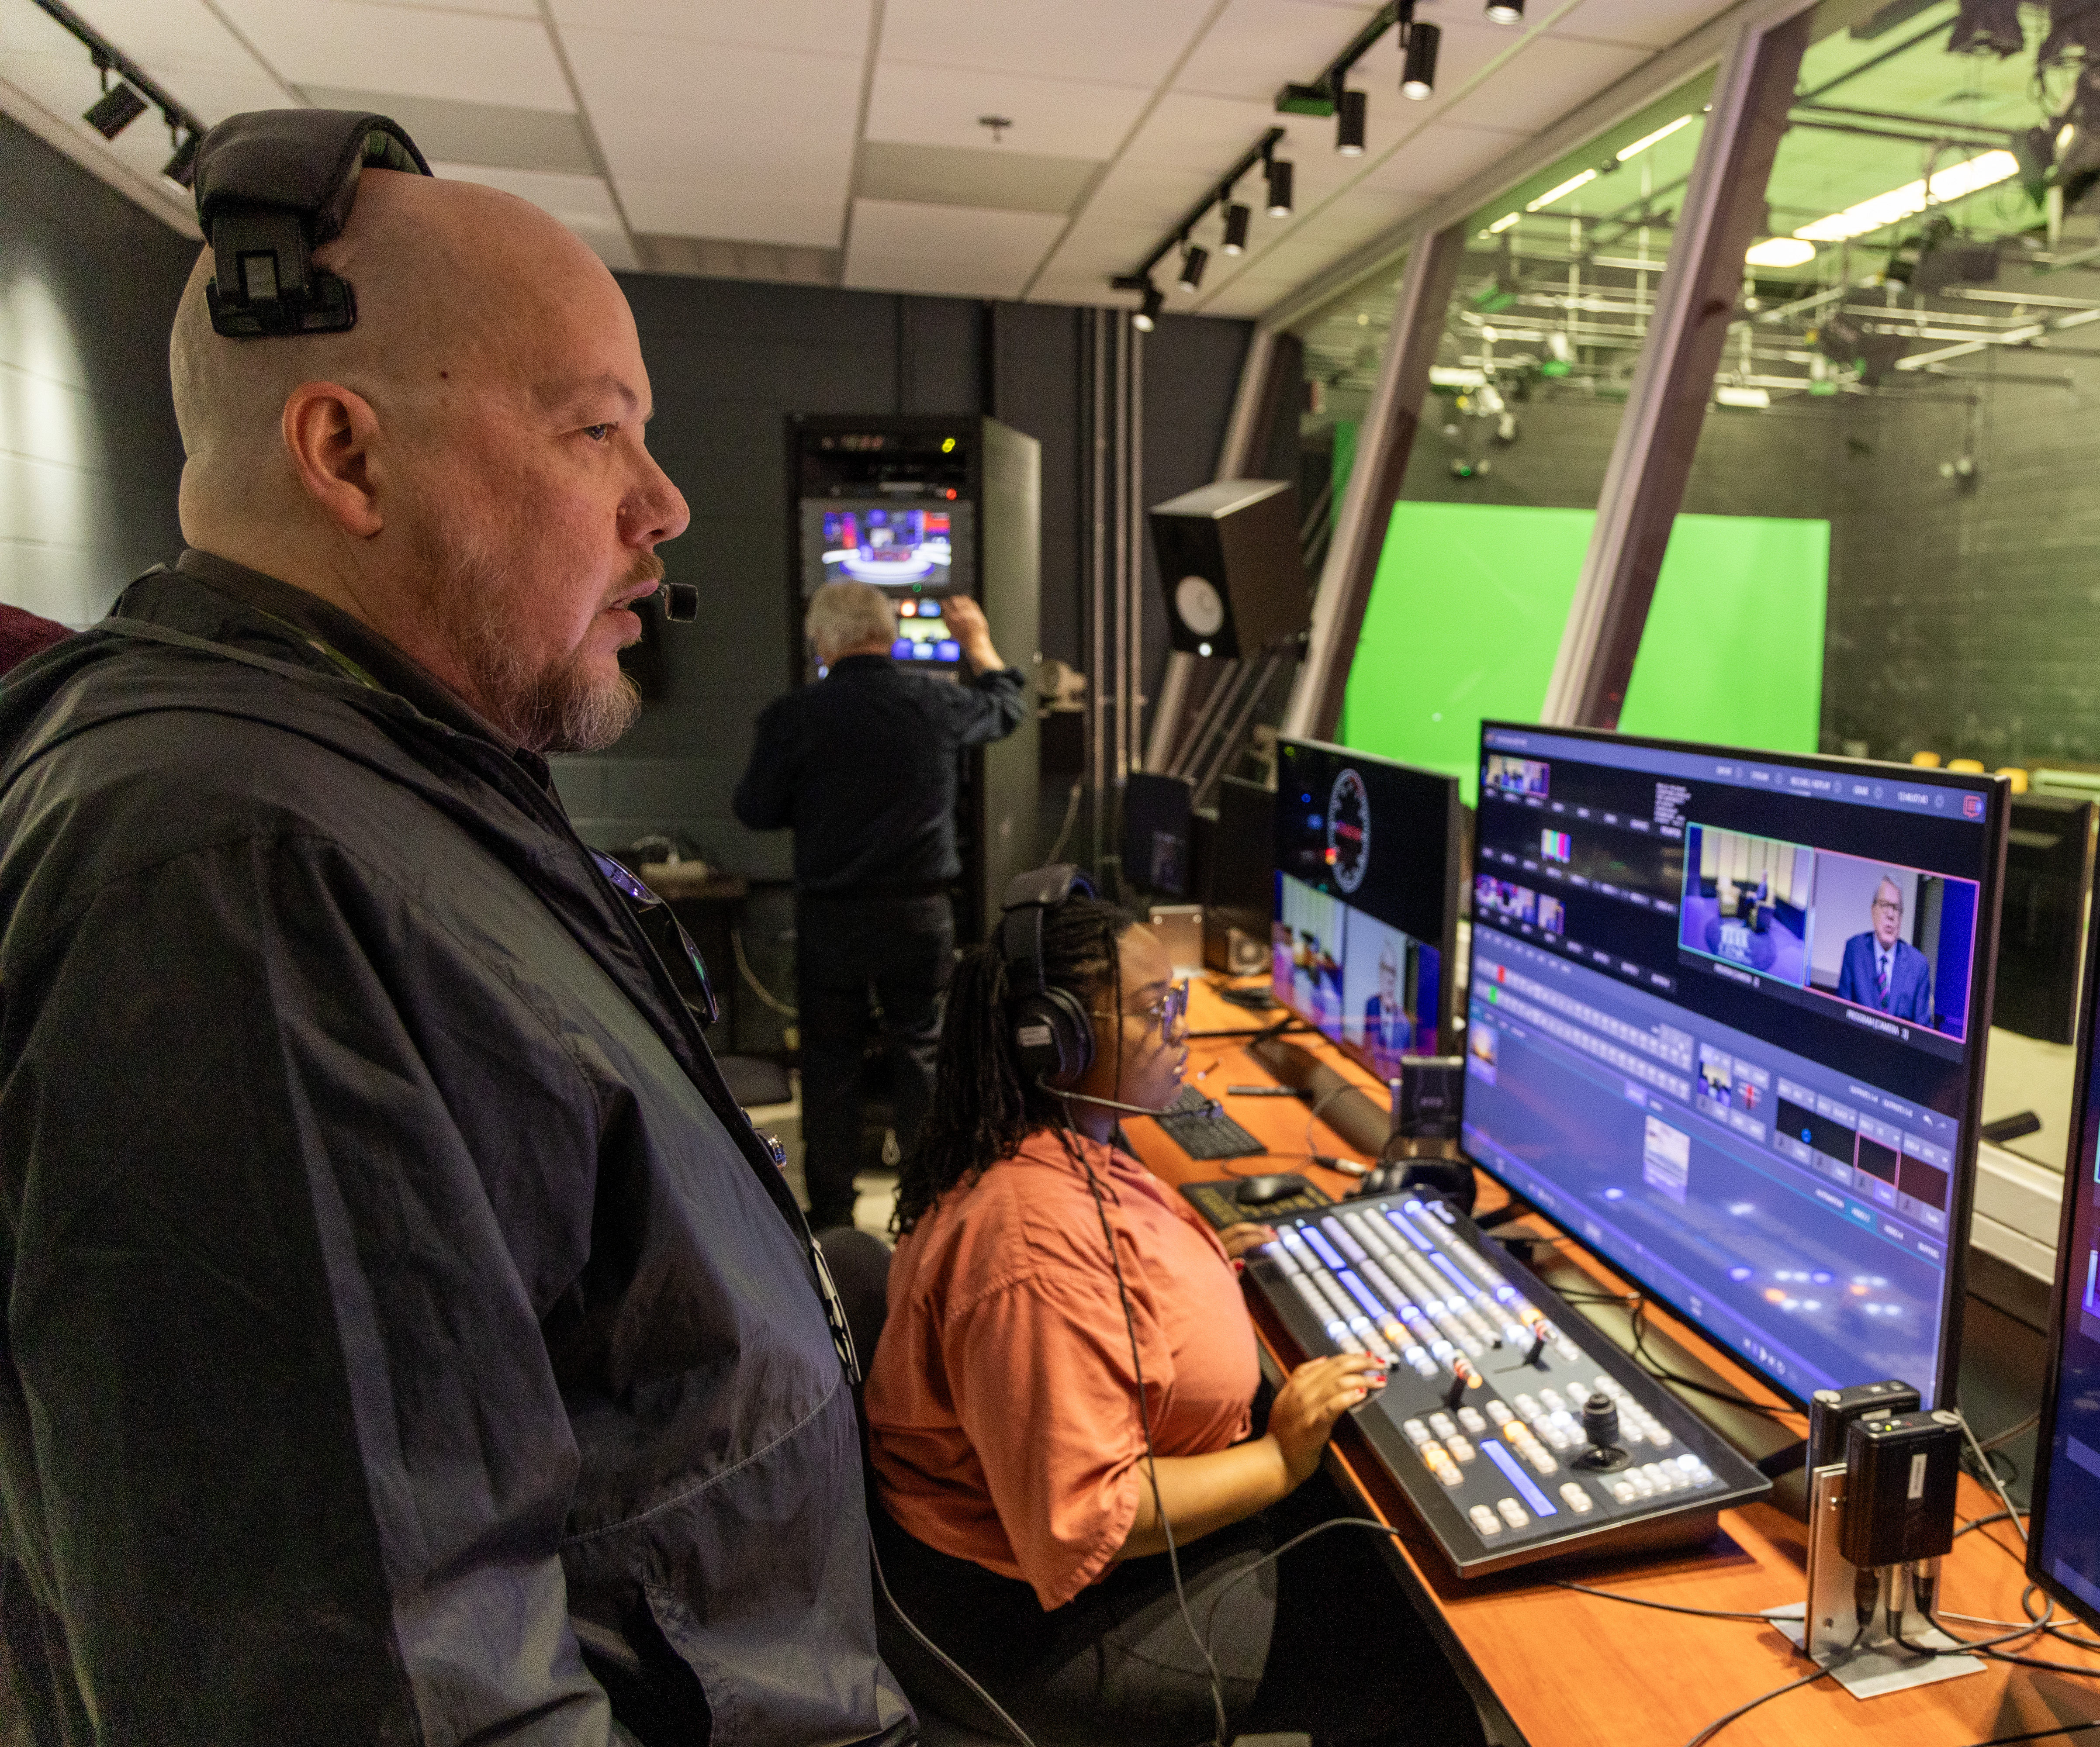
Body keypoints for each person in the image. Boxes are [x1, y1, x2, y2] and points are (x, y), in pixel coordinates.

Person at [0, 122, 908, 1743]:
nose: (665, 503)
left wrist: (846, 1296)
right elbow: (385, 1684)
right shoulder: (237, 879)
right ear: (346, 453)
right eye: (597, 433)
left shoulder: (381, 766)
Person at [862, 885, 1477, 1745]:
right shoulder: (1031, 1244)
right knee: (1417, 1649)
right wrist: (1276, 1459)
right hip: (1060, 1622)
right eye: (1158, 1008)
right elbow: (1083, 1521)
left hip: (1068, 1562)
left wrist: (1191, 1260)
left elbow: (1106, 1304)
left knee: (1385, 1531)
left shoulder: (1071, 1143)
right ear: (1056, 1040)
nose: (1181, 1025)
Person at [732, 579, 1024, 1233]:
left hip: (831, 917)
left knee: (829, 1060)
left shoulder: (793, 717)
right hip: (919, 914)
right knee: (920, 1050)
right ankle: (923, 1208)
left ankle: (833, 1216)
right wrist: (977, 643)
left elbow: (755, 809)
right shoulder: (935, 702)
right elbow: (1006, 709)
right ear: (889, 635)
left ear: (823, 640)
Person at [1835, 874, 1936, 1025]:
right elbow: (1841, 1016)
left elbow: (1923, 1032)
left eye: (1896, 908)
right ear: (1873, 911)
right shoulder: (1854, 950)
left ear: (1901, 917)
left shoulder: (1918, 965)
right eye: (1884, 905)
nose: (1891, 915)